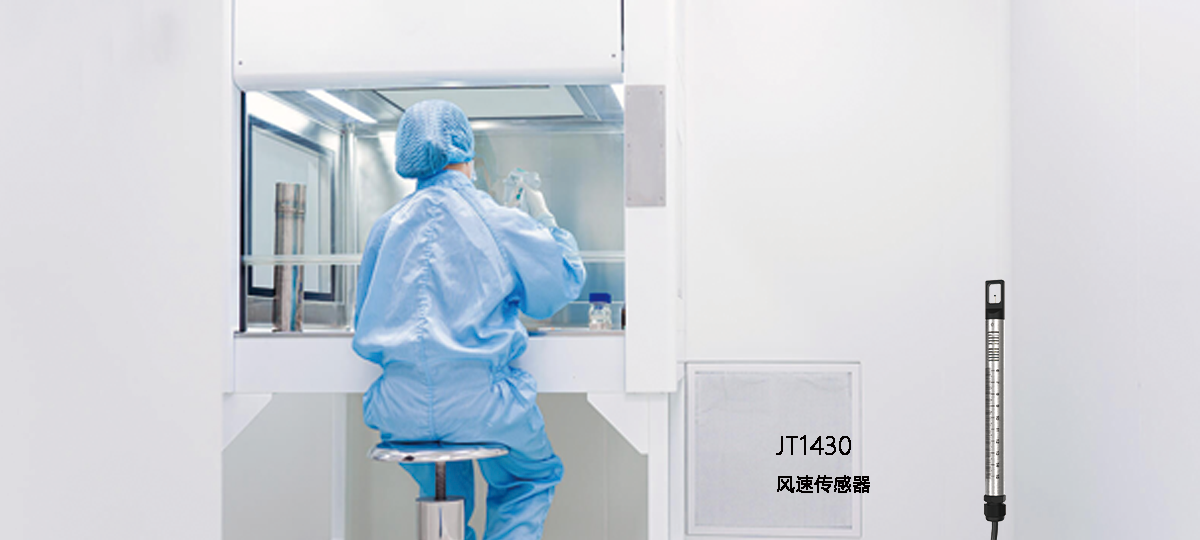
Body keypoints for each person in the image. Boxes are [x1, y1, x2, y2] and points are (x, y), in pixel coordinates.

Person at [353, 99, 586, 540]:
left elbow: (364, 316)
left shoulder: (385, 227)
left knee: (445, 483)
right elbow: (561, 283)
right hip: (483, 405)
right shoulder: (494, 218)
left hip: (398, 411)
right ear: (467, 152)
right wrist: (544, 218)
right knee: (527, 478)